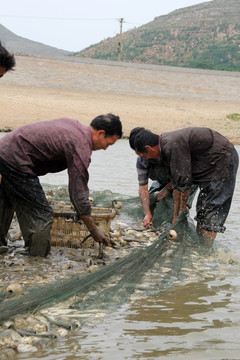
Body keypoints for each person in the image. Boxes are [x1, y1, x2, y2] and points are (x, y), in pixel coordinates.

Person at [0, 114, 122, 256]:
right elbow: (78, 190)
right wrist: (93, 229)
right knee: (42, 213)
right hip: (16, 158)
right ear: (100, 133)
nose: (105, 148)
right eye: (108, 144)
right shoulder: (81, 145)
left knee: (6, 199)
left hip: (5, 148)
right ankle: (36, 259)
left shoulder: (74, 126)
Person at [132, 126, 239, 245]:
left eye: (143, 155)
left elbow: (184, 184)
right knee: (202, 210)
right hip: (205, 164)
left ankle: (205, 251)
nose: (143, 159)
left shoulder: (172, 145)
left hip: (222, 160)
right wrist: (174, 214)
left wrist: (179, 216)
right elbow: (178, 181)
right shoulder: (165, 147)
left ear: (148, 148)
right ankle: (201, 248)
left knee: (211, 209)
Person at [129, 127, 197, 229]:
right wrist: (147, 213)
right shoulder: (142, 161)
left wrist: (166, 189)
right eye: (138, 152)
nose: (141, 155)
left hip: (185, 179)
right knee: (153, 199)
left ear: (147, 147)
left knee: (174, 206)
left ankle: (177, 232)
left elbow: (181, 175)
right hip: (162, 181)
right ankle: (155, 227)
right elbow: (143, 189)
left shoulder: (168, 149)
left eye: (142, 152)